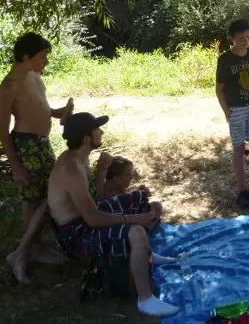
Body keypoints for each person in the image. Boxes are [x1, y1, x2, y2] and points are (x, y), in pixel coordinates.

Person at [48, 113, 179, 317]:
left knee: (139, 199)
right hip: (77, 232)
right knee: (135, 232)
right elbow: (93, 219)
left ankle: (148, 256)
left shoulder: (79, 158)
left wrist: (102, 171)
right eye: (97, 130)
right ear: (86, 138)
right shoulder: (72, 168)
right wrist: (132, 219)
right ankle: (145, 299)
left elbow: (96, 199)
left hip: (86, 217)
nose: (101, 132)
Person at [0, 32, 74, 283]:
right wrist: (15, 165)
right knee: (34, 201)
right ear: (26, 56)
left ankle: (35, 248)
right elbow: (2, 130)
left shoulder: (35, 76)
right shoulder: (9, 85)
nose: (46, 61)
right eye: (42, 57)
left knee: (48, 197)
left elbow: (39, 106)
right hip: (26, 146)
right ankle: (25, 252)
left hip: (42, 144)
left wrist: (56, 113)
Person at [215, 19, 249, 210]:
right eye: (242, 37)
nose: (247, 40)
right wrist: (226, 111)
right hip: (235, 108)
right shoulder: (225, 59)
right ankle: (242, 190)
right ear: (233, 38)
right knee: (238, 149)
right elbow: (219, 89)